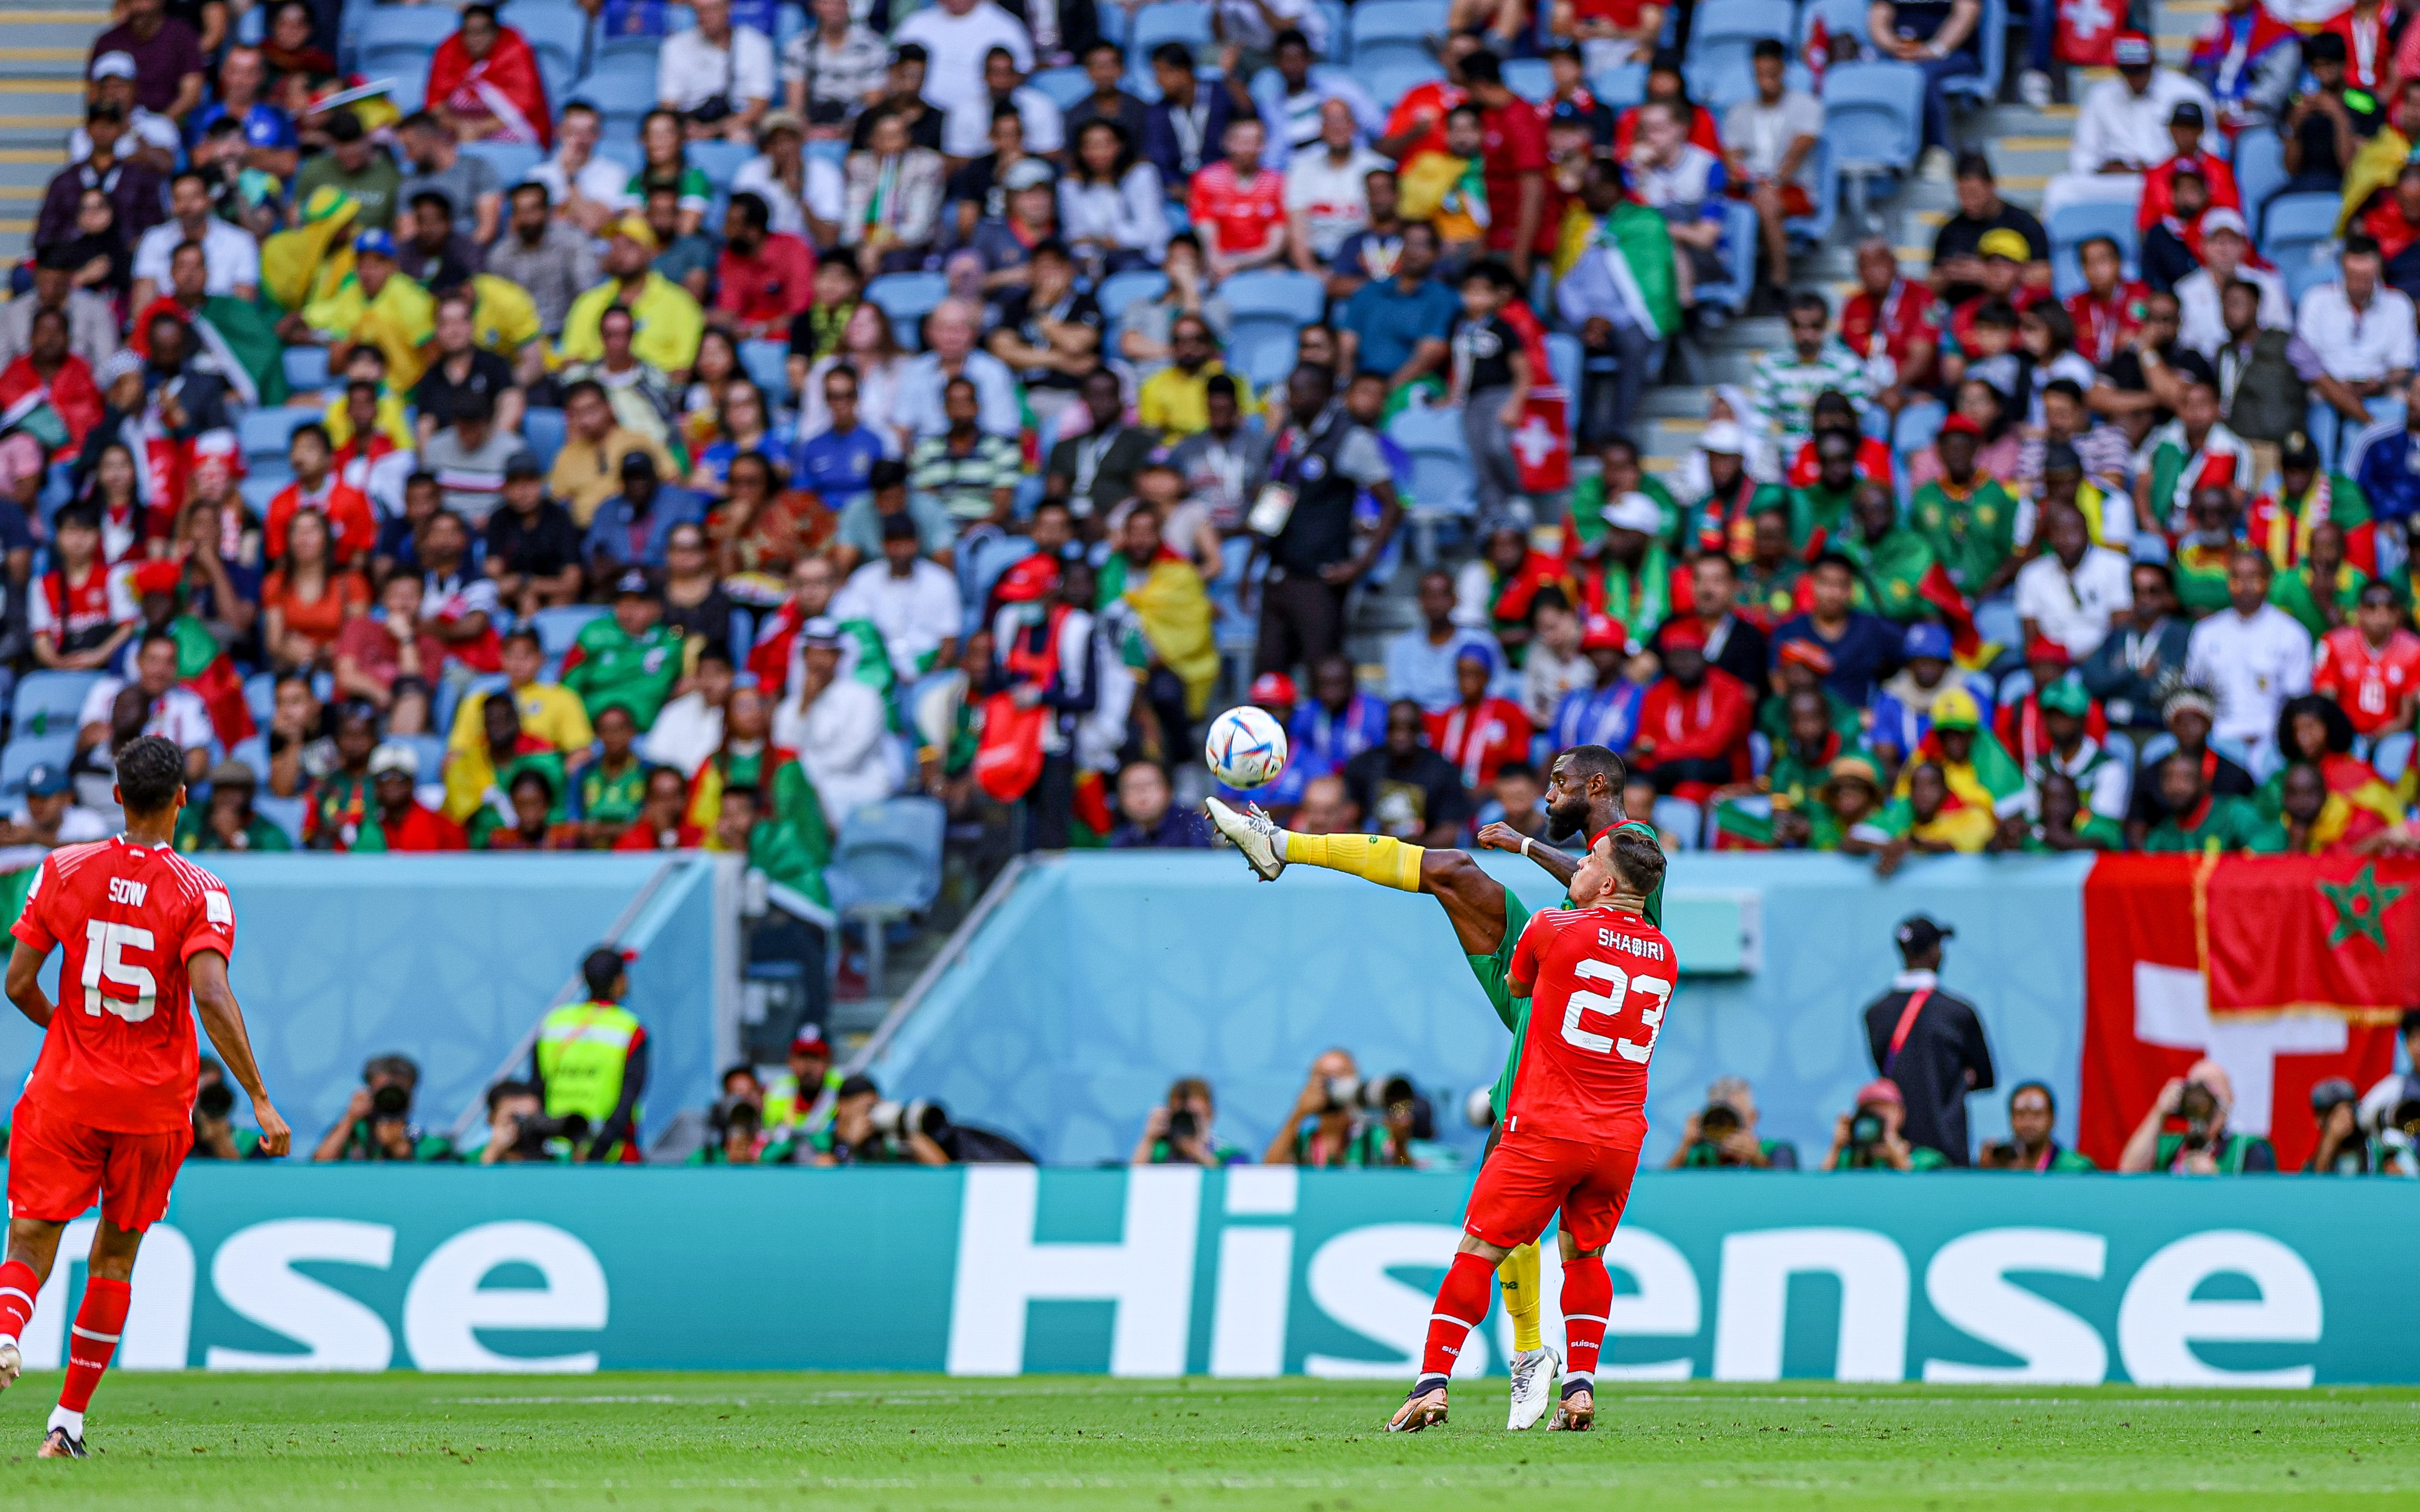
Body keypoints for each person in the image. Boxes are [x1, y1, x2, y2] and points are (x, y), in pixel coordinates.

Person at [1209, 742, 1664, 1420]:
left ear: (1595, 785)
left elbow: (1597, 883)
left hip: (1565, 1007)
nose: (1547, 796)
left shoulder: (1629, 842)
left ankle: (1525, 1351)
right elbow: (1592, 886)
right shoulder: (1624, 888)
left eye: (1558, 783)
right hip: (1591, 1025)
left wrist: (1522, 847)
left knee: (1500, 1197)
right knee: (1450, 867)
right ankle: (1280, 844)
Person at [0, 735, 290, 1458]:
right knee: (114, 1258)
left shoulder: (63, 867)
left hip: (65, 1090)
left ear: (118, 795)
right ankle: (65, 1424)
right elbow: (211, 992)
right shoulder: (201, 890)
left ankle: (6, 1330)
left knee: (32, 1235)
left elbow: (17, 982)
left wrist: (70, 1030)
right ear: (182, 800)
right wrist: (257, 1094)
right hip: (152, 1105)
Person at [1389, 826, 1671, 1434]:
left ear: (1609, 883)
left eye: (1591, 857)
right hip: (1620, 1136)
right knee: (1586, 1255)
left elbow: (1517, 984)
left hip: (1546, 1126)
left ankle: (1431, 1385)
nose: (1580, 862)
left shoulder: (1553, 924)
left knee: (1477, 1252)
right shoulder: (1665, 953)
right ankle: (1579, 1390)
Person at [1858, 914, 1994, 1167]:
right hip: (1948, 1148)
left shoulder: (1874, 1013)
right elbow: (1986, 1077)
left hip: (1894, 1145)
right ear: (1935, 952)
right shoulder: (1959, 1012)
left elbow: (1884, 1071)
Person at [530, 946, 649, 1164]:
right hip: (612, 1152)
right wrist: (598, 1148)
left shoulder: (554, 1023)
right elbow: (631, 1093)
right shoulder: (630, 1028)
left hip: (557, 1149)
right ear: (619, 981)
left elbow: (537, 1088)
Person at [2118, 1058, 2277, 1173]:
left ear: (2230, 1098)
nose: (2203, 1098)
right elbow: (2129, 1173)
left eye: (2213, 1086)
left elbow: (2259, 1206)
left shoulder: (2248, 1149)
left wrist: (2216, 1180)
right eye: (2197, 1087)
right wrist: (2159, 1112)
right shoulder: (2171, 1146)